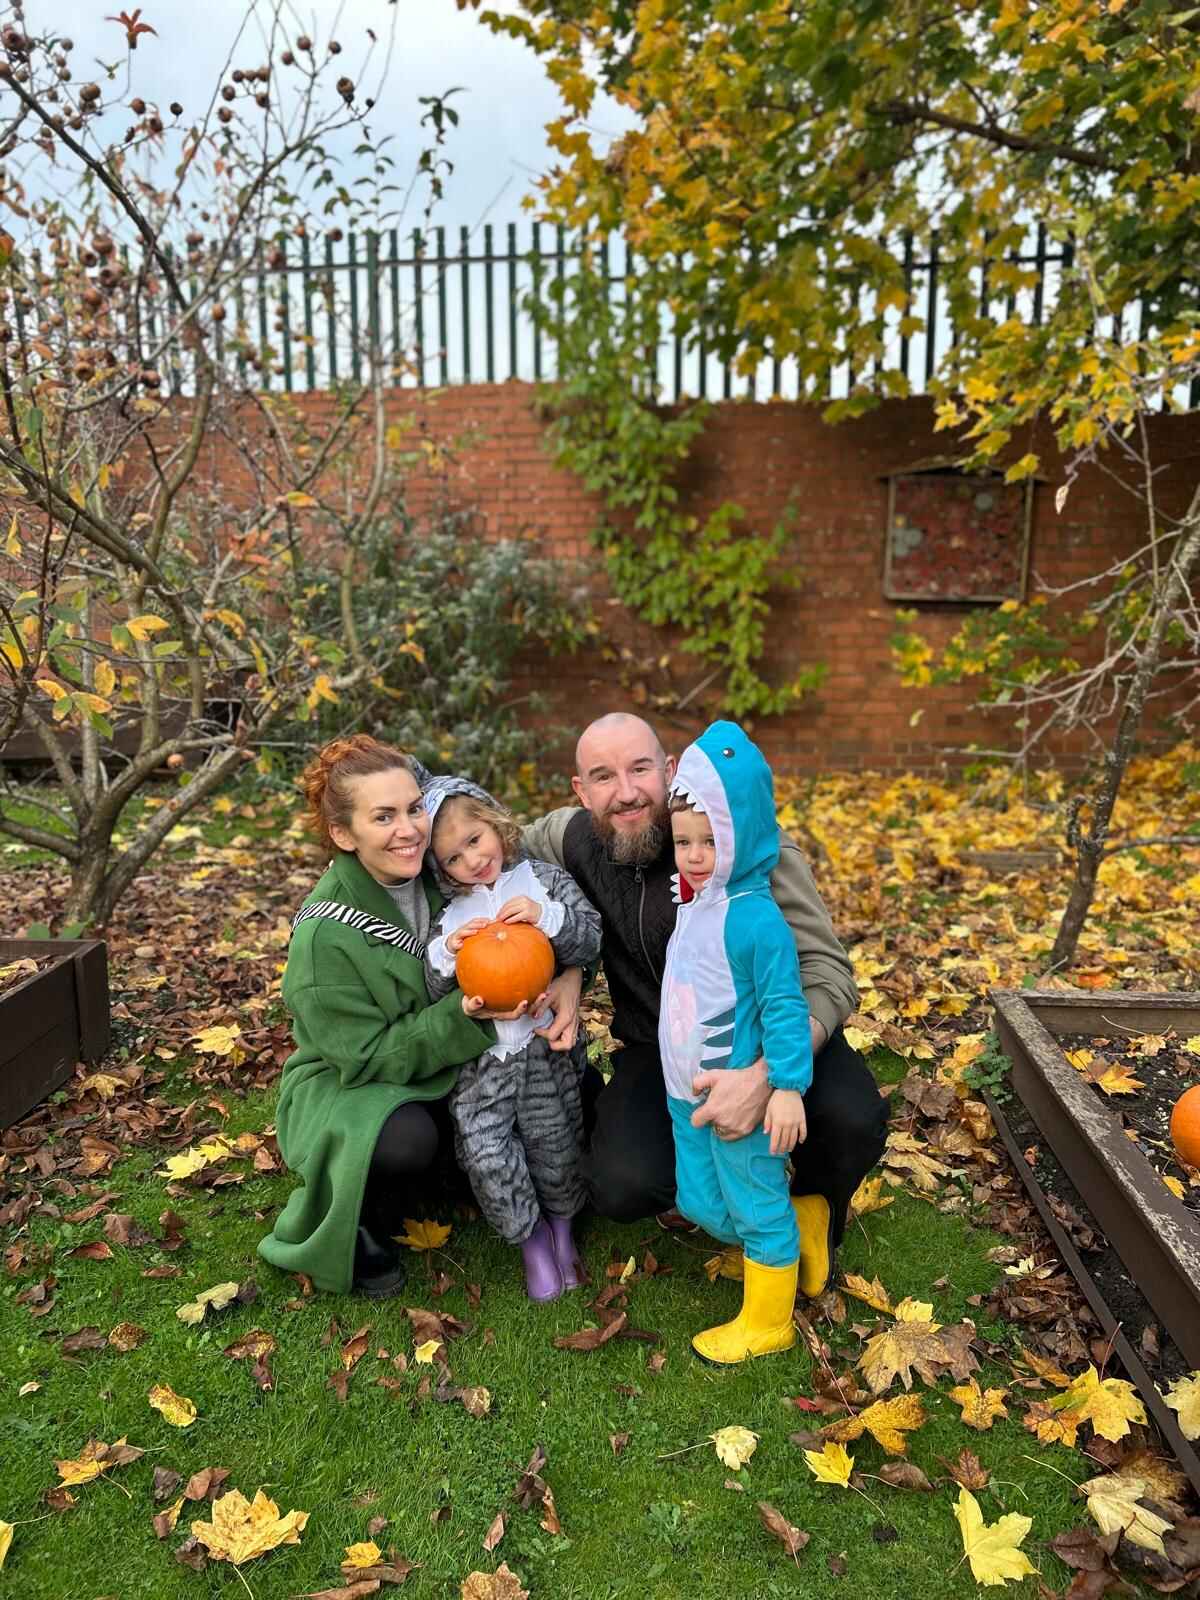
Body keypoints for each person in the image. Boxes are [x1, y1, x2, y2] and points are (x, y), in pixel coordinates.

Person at [522, 712, 889, 1299]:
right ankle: (737, 1200)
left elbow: (828, 974)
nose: (626, 792)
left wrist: (767, 1075)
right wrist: (568, 968)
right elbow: (482, 844)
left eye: (641, 769)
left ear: (670, 770)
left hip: (774, 1031)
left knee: (851, 1119)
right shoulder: (573, 840)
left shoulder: (744, 840)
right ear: (581, 792)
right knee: (621, 1183)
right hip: (662, 1050)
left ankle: (809, 1201)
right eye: (604, 777)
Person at [258, 735, 564, 1299]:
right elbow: (366, 1055)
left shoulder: (440, 868)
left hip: (450, 1051)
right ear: (343, 834)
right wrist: (465, 1017)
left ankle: (459, 1178)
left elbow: (520, 859)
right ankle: (363, 1222)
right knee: (406, 1138)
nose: (409, 830)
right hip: (353, 1079)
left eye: (413, 809)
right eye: (383, 817)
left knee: (571, 1089)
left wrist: (569, 976)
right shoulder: (324, 937)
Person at [662, 720, 811, 1362]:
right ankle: (800, 1224)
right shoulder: (694, 903)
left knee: (752, 1204)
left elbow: (785, 1005)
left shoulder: (756, 919)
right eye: (683, 841)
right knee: (699, 1201)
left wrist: (786, 1086)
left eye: (711, 840)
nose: (695, 855)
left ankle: (770, 1322)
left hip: (735, 1096)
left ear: (742, 834)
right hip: (684, 1091)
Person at [422, 776, 602, 1302]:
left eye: (475, 840)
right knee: (486, 1154)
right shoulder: (448, 916)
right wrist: (448, 953)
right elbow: (433, 986)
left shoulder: (542, 880)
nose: (472, 861)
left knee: (556, 1144)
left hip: (544, 1049)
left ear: (496, 824)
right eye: (453, 858)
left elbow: (590, 938)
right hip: (482, 1065)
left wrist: (546, 918)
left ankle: (563, 1228)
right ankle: (532, 1238)